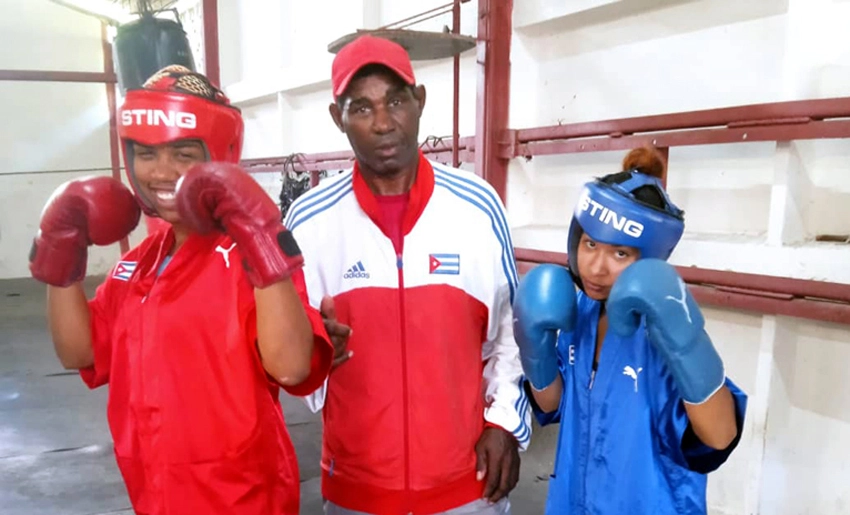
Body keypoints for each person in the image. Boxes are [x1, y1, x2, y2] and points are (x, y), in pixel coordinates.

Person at [28, 65, 334, 515]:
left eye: (183, 153)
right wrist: (61, 252)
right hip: (152, 497)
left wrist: (264, 240)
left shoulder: (245, 258)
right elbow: (79, 353)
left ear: (218, 156)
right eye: (146, 154)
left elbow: (290, 368)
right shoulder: (136, 265)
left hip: (242, 501)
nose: (161, 171)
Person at [283, 35, 531, 515]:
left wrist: (505, 423)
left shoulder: (477, 207)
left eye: (396, 101)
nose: (382, 123)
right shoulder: (309, 221)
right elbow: (290, 354)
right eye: (361, 107)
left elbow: (513, 332)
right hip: (358, 492)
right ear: (338, 119)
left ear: (419, 102)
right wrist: (312, 350)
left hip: (467, 487)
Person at [512, 147, 748, 515]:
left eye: (620, 253)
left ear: (648, 259)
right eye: (590, 244)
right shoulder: (580, 313)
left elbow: (719, 437)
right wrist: (533, 346)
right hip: (572, 502)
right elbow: (553, 405)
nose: (597, 268)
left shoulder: (662, 326)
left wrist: (687, 345)